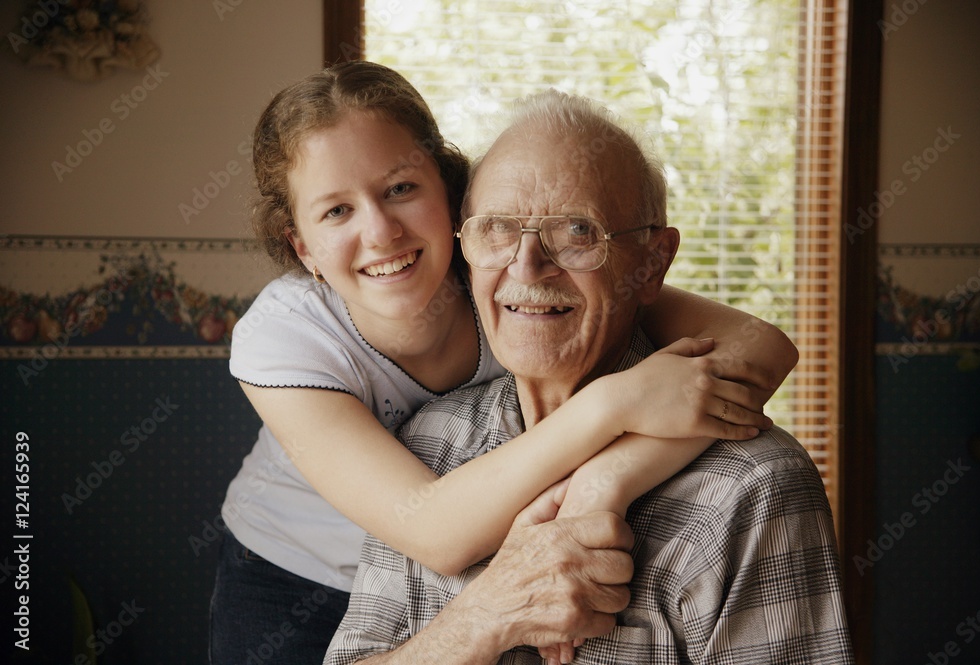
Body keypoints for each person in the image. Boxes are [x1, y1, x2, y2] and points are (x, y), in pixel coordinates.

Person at [211, 62, 797, 664]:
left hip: (439, 566)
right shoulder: (286, 335)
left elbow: (762, 347)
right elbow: (436, 532)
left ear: (449, 195)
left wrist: (610, 480)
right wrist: (615, 403)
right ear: (302, 247)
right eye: (336, 211)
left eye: (401, 189)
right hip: (289, 574)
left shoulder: (509, 277)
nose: (381, 232)